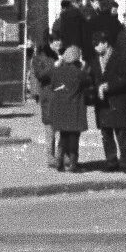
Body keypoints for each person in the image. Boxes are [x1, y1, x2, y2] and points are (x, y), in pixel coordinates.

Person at [38, 42, 94, 172]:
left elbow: (52, 87)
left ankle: (59, 162)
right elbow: (88, 81)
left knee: (63, 136)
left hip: (60, 109)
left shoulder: (57, 72)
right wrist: (84, 67)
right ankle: (73, 164)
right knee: (74, 138)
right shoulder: (79, 73)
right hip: (75, 109)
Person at [95, 20, 126, 172]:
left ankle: (125, 163)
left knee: (122, 134)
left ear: (105, 43)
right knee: (106, 134)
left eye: (97, 44)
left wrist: (108, 86)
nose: (95, 48)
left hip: (118, 101)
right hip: (103, 104)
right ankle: (111, 162)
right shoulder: (95, 60)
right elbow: (92, 78)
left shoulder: (120, 57)